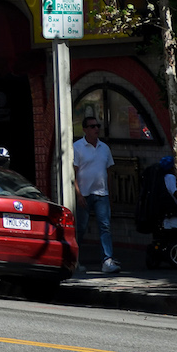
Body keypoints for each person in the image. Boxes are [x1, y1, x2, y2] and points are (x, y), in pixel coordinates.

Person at [73, 115, 118, 273]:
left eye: (97, 126)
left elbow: (108, 172)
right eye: (92, 126)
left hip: (101, 194)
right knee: (80, 228)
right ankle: (74, 260)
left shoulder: (104, 148)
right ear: (85, 129)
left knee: (105, 226)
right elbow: (74, 173)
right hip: (84, 194)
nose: (96, 129)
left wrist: (110, 194)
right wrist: (78, 194)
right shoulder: (77, 147)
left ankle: (107, 260)